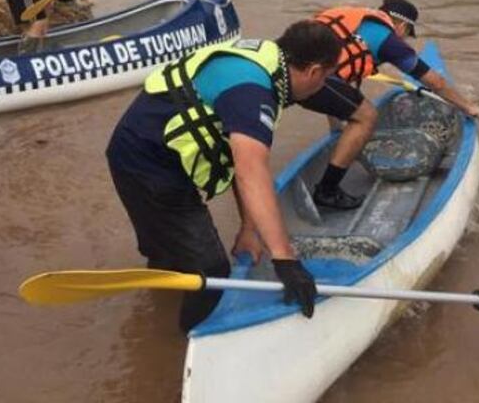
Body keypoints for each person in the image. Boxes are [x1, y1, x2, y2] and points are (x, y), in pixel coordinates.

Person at [105, 20, 343, 331]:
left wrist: (249, 227)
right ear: (313, 71)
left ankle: (159, 309)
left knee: (170, 252)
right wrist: (285, 259)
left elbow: (234, 157)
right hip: (148, 164)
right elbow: (250, 170)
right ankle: (187, 345)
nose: (323, 87)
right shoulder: (252, 92)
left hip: (140, 149)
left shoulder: (265, 58)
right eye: (326, 78)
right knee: (211, 268)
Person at [303, 0, 479, 209]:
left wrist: (337, 130)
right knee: (367, 116)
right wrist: (467, 106)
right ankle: (327, 190)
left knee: (345, 96)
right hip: (314, 81)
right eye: (407, 35)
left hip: (291, 73)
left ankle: (339, 139)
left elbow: (337, 79)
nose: (405, 41)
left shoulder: (352, 21)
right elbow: (435, 81)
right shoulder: (389, 41)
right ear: (402, 26)